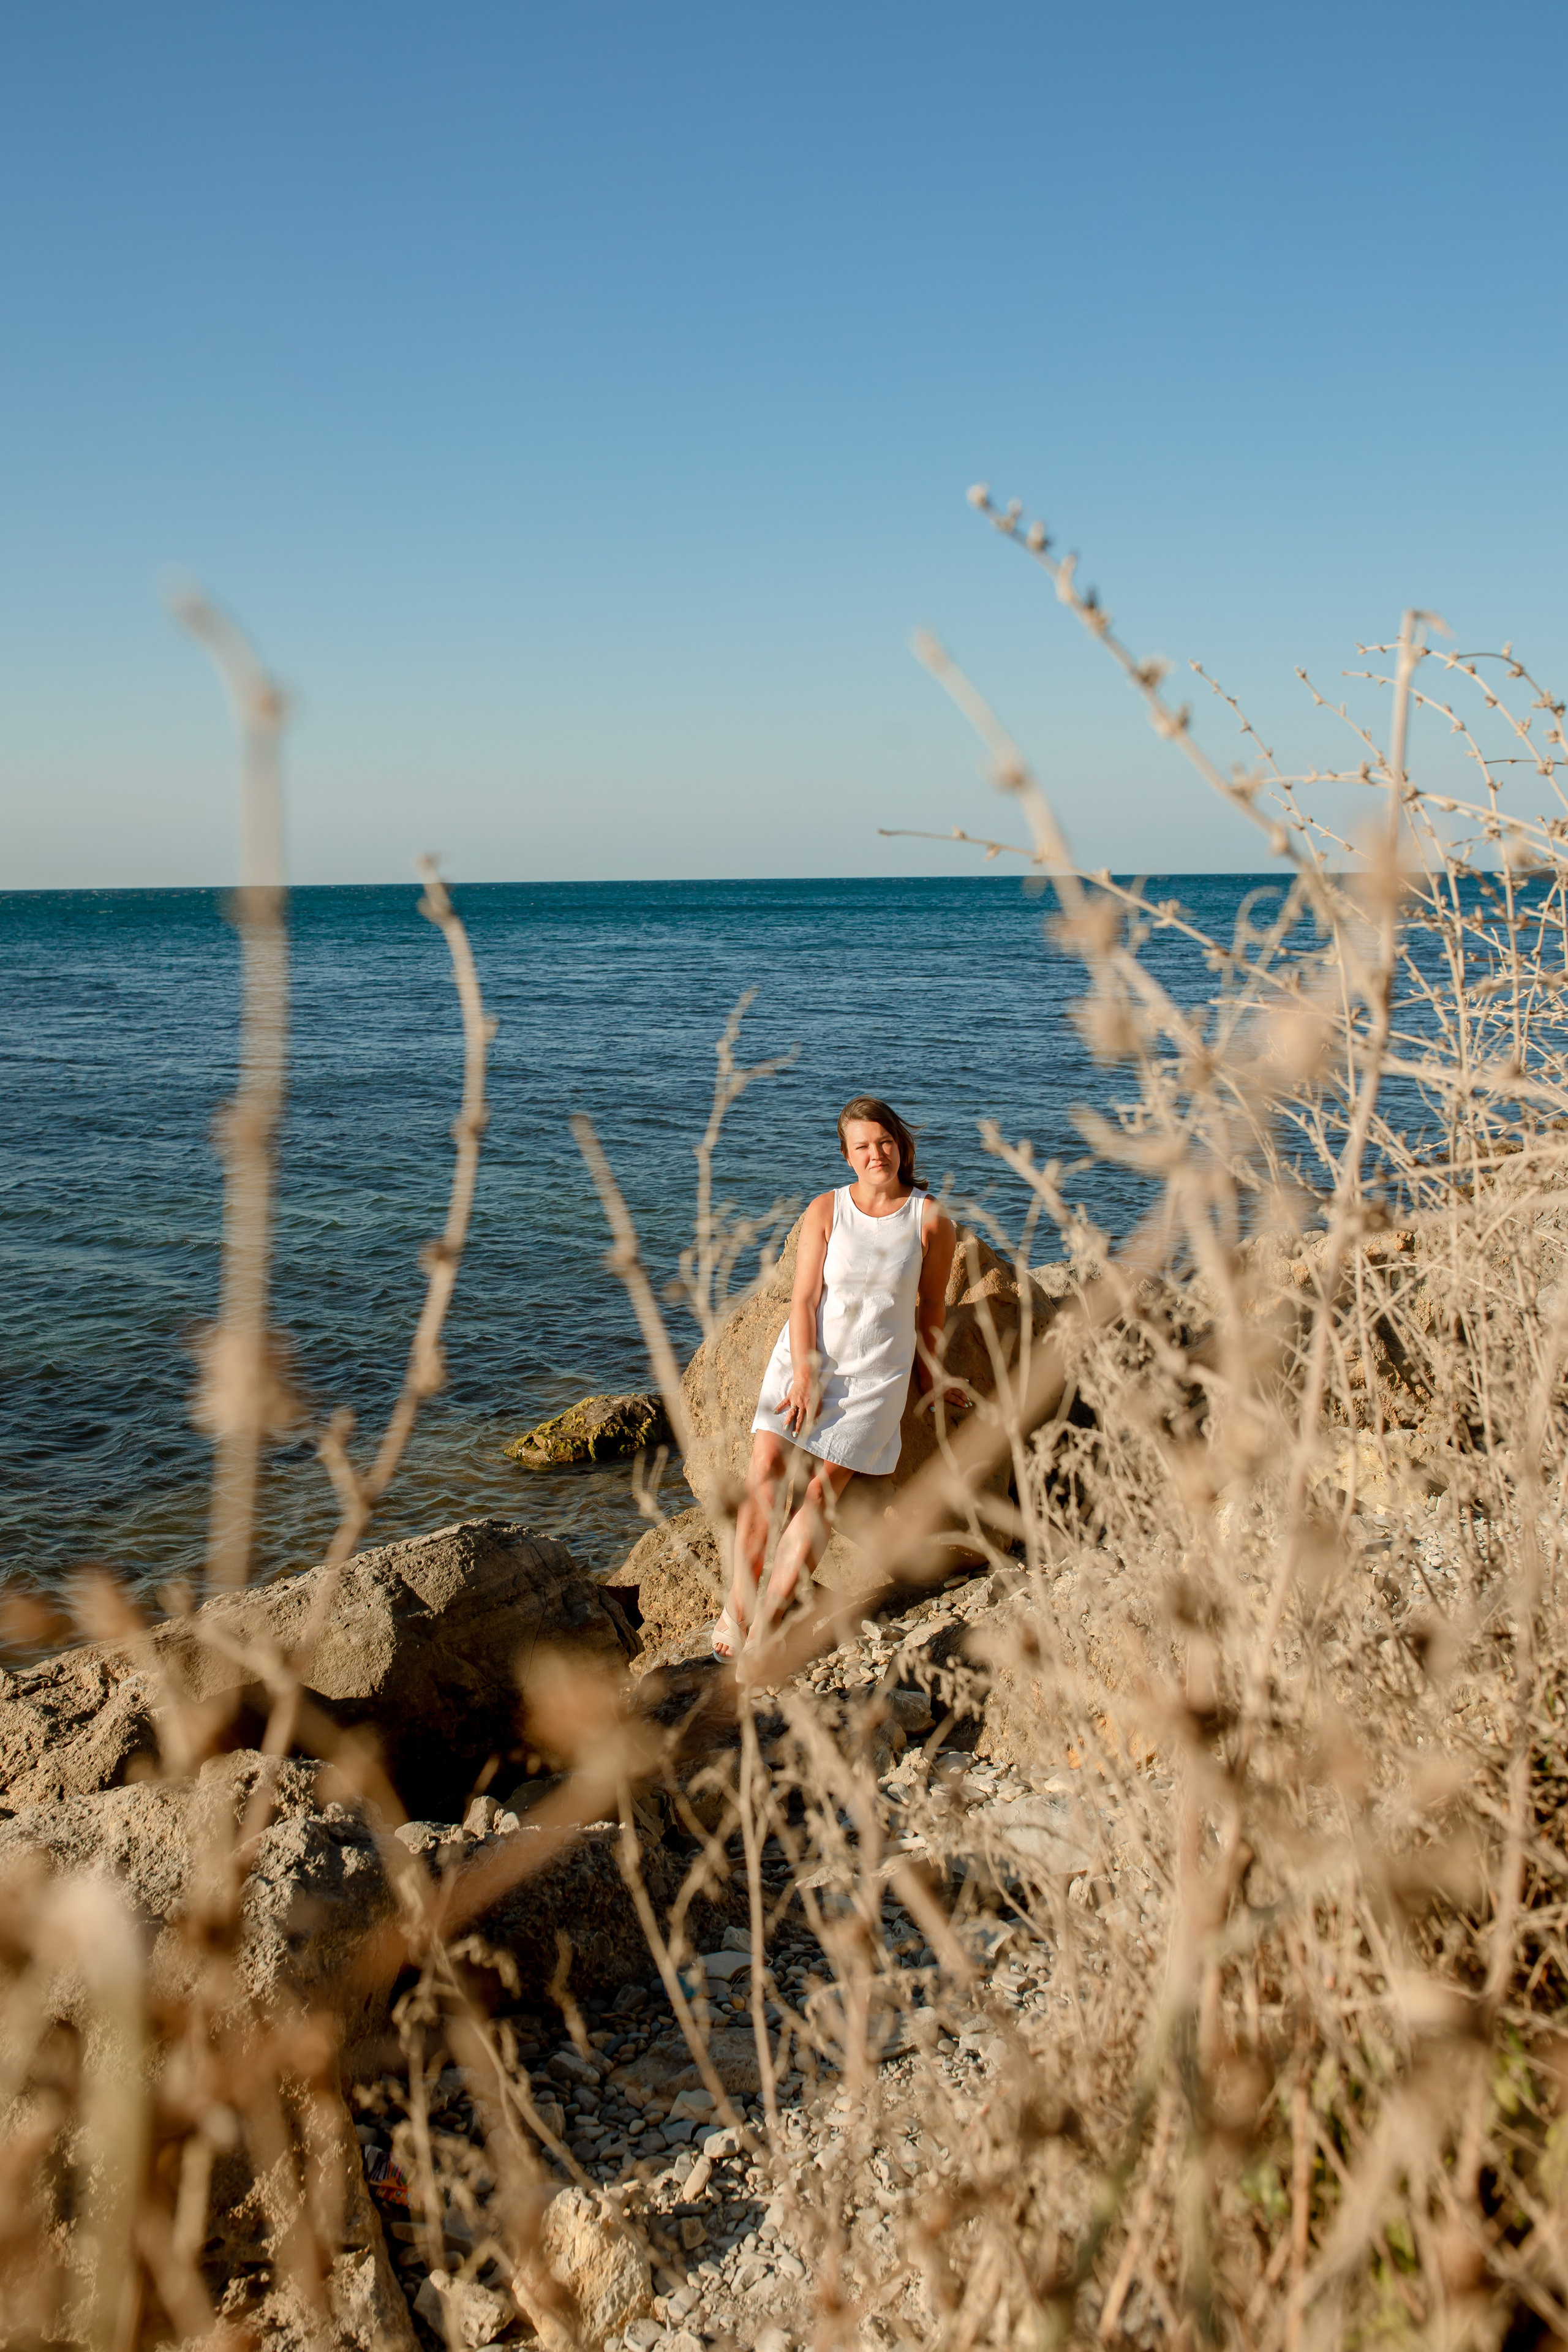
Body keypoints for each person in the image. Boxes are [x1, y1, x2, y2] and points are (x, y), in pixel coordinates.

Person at [712, 1095, 963, 1659]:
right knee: (766, 1471)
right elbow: (802, 1301)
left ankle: (767, 1626)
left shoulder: (931, 1219)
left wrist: (934, 1376)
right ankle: (740, 1605)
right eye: (863, 1147)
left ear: (900, 1144)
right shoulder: (826, 1209)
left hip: (875, 1378)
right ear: (847, 1157)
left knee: (822, 1494)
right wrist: (802, 1377)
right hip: (806, 1360)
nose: (877, 1154)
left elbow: (931, 1313)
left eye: (885, 1142)